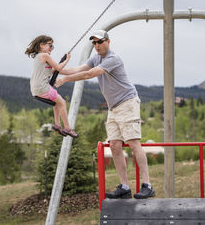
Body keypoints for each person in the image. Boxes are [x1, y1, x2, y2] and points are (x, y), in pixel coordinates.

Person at [55, 30, 154, 199]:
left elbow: (88, 74)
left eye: (100, 42)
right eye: (94, 43)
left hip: (127, 103)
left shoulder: (112, 59)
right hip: (113, 107)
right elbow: (80, 68)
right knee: (114, 144)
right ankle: (124, 187)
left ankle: (147, 185)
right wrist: (58, 69)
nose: (97, 45)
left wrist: (64, 80)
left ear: (108, 41)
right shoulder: (96, 58)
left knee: (133, 142)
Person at [25, 35, 78, 138]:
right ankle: (67, 128)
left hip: (36, 89)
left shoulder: (38, 57)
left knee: (56, 103)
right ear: (42, 45)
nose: (51, 49)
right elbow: (58, 67)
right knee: (62, 103)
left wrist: (62, 64)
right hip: (42, 87)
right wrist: (67, 60)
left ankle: (57, 125)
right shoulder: (45, 56)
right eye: (50, 46)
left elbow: (53, 70)